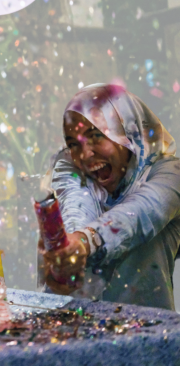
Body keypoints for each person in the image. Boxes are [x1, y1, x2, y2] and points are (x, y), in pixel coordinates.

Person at [42, 83, 180, 310]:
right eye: (74, 144)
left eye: (96, 136)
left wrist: (86, 241)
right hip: (76, 330)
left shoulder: (171, 175)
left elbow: (139, 215)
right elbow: (76, 207)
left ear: (128, 131)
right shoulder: (72, 169)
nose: (85, 154)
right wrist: (68, 255)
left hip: (149, 334)